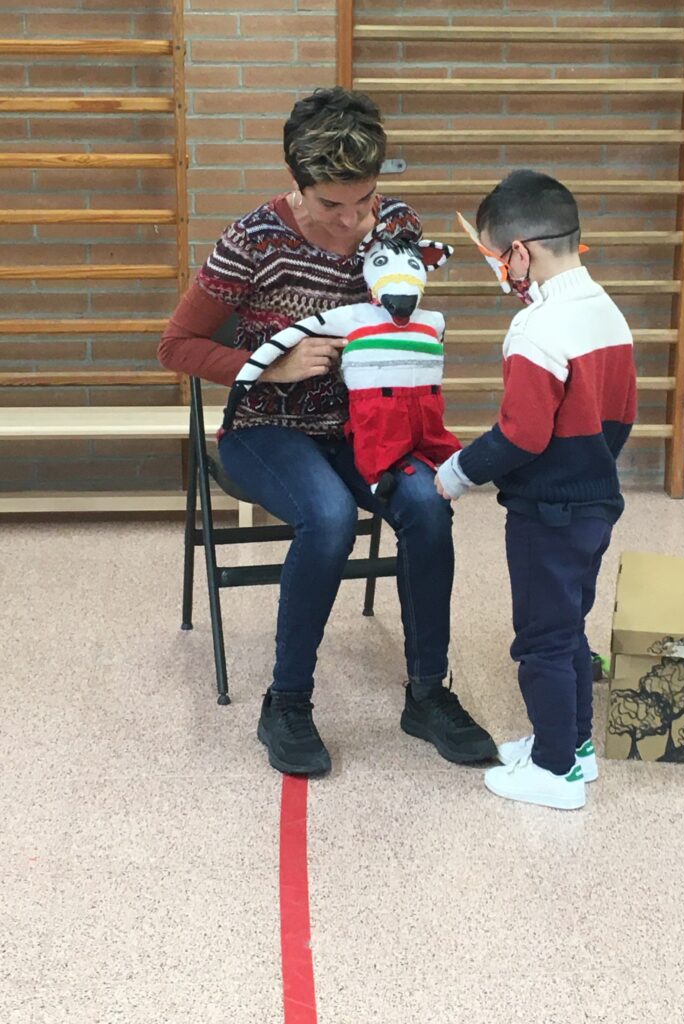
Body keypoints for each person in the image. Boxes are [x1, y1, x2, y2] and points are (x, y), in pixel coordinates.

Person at [158, 87, 496, 776]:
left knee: (429, 503)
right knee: (331, 516)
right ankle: (285, 703)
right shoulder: (253, 240)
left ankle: (428, 694)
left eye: (363, 199)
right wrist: (270, 364)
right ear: (297, 181)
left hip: (362, 425)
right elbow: (176, 346)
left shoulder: (395, 224)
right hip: (264, 428)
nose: (351, 221)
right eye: (331, 204)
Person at [436, 170, 637, 810]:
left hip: (546, 512)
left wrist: (457, 473)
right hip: (595, 502)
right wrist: (588, 471)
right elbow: (623, 415)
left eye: (496, 259)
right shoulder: (606, 310)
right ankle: (574, 746)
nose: (500, 274)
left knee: (541, 641)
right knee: (568, 628)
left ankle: (554, 772)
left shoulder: (535, 328)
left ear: (520, 254)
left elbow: (520, 435)